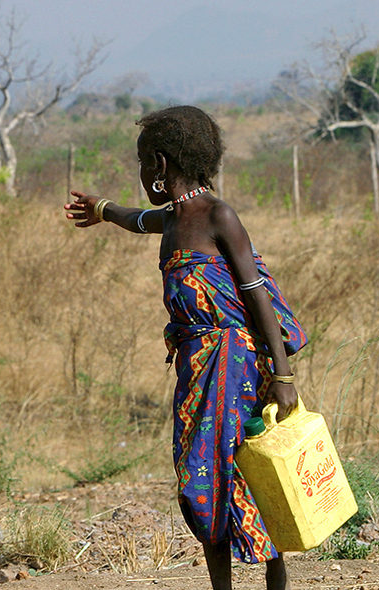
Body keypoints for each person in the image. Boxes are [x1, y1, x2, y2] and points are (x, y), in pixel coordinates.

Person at [64, 106, 306, 590]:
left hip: (237, 370)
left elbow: (256, 291)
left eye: (140, 162)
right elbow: (138, 220)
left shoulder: (218, 215)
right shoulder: (174, 218)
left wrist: (282, 378)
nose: (139, 172)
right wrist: (102, 209)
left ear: (157, 161)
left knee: (255, 476)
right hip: (197, 375)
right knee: (202, 481)